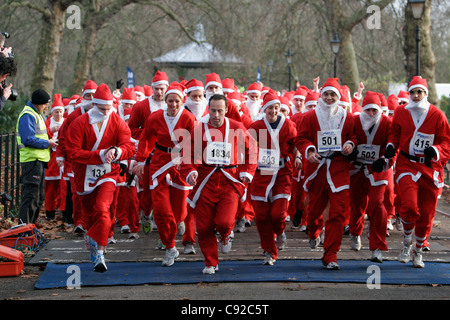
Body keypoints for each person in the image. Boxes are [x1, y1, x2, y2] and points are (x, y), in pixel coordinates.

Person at [181, 94, 257, 274]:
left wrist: (247, 172)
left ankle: (225, 234)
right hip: (205, 181)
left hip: (229, 182)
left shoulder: (237, 127)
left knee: (224, 221)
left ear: (226, 110)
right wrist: (191, 171)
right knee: (204, 226)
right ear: (209, 109)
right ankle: (210, 262)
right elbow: (187, 155)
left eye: (220, 111)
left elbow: (251, 150)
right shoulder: (200, 129)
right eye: (213, 110)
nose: (216, 115)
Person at [66, 83, 135, 272]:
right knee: (90, 215)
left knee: (103, 210)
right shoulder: (79, 123)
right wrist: (98, 155)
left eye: (109, 108)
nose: (106, 112)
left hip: (108, 174)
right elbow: (72, 152)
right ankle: (92, 235)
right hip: (84, 175)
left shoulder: (117, 121)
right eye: (102, 109)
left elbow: (129, 146)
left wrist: (117, 150)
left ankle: (100, 253)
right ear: (94, 105)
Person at [384, 76, 450, 268]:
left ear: (425, 93)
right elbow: (394, 134)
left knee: (427, 213)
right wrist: (390, 146)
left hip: (430, 169)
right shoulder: (401, 112)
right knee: (410, 206)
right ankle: (406, 242)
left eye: (419, 92)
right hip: (407, 165)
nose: (415, 95)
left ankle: (418, 250)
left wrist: (436, 150)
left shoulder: (437, 115)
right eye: (412, 92)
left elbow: (446, 142)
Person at [295, 78, 356, 270]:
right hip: (317, 170)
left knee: (338, 212)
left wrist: (350, 145)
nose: (329, 98)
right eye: (326, 94)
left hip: (338, 169)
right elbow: (301, 138)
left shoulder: (348, 117)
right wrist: (310, 151)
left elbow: (353, 136)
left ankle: (331, 254)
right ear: (321, 95)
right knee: (314, 211)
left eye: (333, 95)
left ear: (338, 97)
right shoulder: (310, 117)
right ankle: (313, 231)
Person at [134, 82, 196, 266]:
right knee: (161, 210)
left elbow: (196, 143)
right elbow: (145, 137)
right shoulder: (155, 117)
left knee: (179, 211)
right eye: (170, 101)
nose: (173, 104)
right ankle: (170, 247)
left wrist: (193, 167)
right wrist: (140, 160)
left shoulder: (189, 118)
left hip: (181, 162)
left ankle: (178, 222)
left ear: (182, 100)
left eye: (177, 101)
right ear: (165, 100)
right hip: (159, 161)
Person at [248, 90, 300, 265]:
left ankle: (280, 231)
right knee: (262, 216)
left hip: (282, 173)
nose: (273, 111)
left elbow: (295, 144)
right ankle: (269, 251)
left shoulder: (288, 125)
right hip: (261, 174)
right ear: (264, 109)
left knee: (278, 214)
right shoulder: (256, 127)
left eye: (276, 108)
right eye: (270, 108)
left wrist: (298, 156)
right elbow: (245, 147)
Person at [348, 91, 392, 263]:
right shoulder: (354, 121)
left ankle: (377, 246)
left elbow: (393, 145)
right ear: (363, 110)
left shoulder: (387, 123)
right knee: (357, 206)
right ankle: (355, 232)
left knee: (378, 205)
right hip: (357, 169)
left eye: (375, 110)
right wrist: (350, 151)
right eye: (368, 110)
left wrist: (385, 160)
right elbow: (348, 138)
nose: (372, 114)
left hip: (378, 169)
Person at [128, 71, 169, 233]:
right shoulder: (141, 106)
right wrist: (148, 135)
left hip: (168, 154)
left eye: (162, 89)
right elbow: (131, 129)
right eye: (156, 89)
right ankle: (146, 214)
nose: (159, 92)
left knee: (167, 189)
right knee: (147, 192)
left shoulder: (174, 104)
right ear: (152, 89)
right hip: (147, 153)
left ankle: (164, 221)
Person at [56, 80, 98, 234]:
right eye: (88, 95)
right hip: (77, 160)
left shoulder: (105, 113)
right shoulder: (74, 116)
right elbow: (62, 137)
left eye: (94, 95)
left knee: (95, 192)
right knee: (77, 193)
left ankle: (94, 221)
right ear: (83, 96)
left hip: (96, 160)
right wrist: (61, 155)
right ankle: (79, 222)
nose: (91, 98)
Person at [16, 89, 58, 224]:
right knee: (31, 197)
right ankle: (24, 233)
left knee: (38, 198)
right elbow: (27, 139)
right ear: (38, 103)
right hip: (32, 161)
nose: (46, 107)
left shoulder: (35, 114)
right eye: (45, 104)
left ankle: (29, 230)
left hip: (38, 162)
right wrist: (47, 143)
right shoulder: (28, 115)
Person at [44, 94, 67, 221]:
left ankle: (64, 211)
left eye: (60, 112)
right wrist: (50, 131)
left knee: (63, 186)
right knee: (50, 186)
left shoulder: (66, 122)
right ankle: (50, 212)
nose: (58, 114)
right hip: (51, 157)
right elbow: (41, 137)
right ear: (52, 113)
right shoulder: (47, 123)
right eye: (56, 112)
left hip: (63, 159)